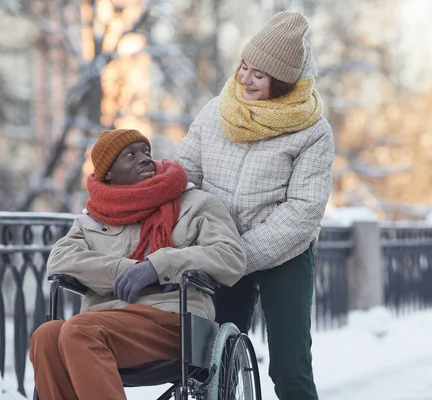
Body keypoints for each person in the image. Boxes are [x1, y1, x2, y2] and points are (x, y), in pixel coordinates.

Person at [173, 11, 334, 400]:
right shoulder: (218, 110)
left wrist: (237, 255)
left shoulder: (313, 131)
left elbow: (302, 211)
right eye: (243, 67)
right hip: (220, 247)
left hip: (285, 256)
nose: (244, 79)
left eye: (258, 75)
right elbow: (183, 173)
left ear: (282, 82)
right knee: (210, 364)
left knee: (290, 369)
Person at [29, 128, 246, 400]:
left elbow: (232, 257)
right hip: (105, 321)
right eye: (129, 155)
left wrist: (160, 265)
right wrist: (125, 270)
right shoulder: (94, 218)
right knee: (46, 336)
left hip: (173, 321)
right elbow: (60, 259)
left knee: (79, 331)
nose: (143, 158)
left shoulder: (194, 204)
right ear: (109, 173)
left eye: (145, 151)